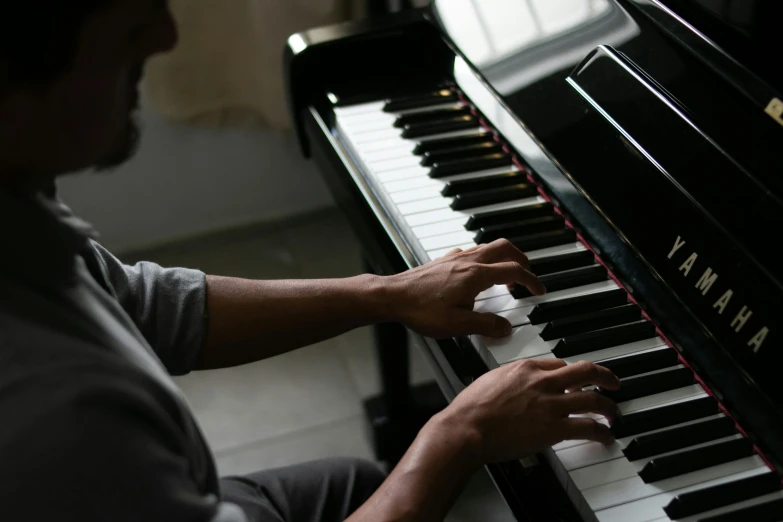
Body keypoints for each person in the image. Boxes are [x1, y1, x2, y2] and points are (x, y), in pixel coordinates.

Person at [0, 2, 621, 521]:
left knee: (349, 483)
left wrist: (385, 293)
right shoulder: (55, 418)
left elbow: (146, 305)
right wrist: (461, 434)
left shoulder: (18, 205)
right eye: (129, 24)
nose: (165, 36)